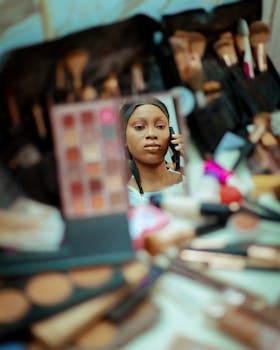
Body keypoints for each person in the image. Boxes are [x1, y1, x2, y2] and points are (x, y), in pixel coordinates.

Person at [122, 97, 186, 207]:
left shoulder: (189, 181)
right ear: (124, 138)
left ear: (171, 135)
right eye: (139, 127)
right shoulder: (125, 199)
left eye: (160, 126)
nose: (151, 134)